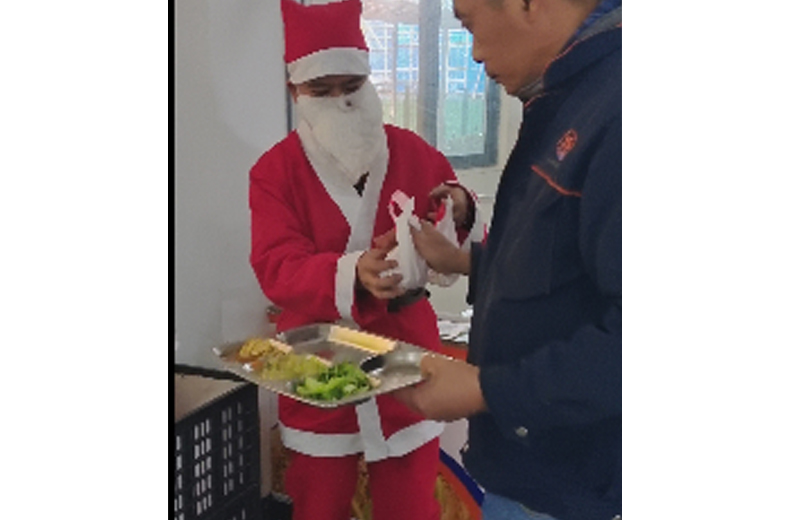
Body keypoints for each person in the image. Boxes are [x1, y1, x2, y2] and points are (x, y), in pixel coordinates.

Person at [248, 1, 483, 520]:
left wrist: (461, 206)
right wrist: (352, 271)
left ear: (369, 80)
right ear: (295, 92)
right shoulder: (274, 172)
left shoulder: (412, 152)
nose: (341, 102)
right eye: (322, 91)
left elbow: (455, 215)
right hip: (316, 356)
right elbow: (276, 266)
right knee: (319, 504)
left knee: (411, 504)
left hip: (406, 350)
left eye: (351, 87)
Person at [395, 1, 622, 519]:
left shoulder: (620, 107)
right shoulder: (563, 98)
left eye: (471, 23)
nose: (473, 53)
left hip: (576, 486)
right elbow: (567, 261)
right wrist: (464, 261)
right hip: (523, 471)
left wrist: (484, 388)